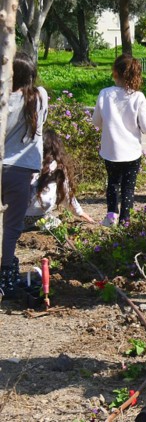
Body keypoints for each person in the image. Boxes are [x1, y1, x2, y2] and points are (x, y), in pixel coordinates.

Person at [1, 53, 49, 299]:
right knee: (11, 227)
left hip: (2, 164)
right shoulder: (39, 97)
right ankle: (6, 274)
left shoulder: (3, 100)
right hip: (21, 169)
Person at [92, 54, 146, 227]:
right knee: (128, 187)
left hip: (110, 150)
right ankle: (125, 219)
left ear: (115, 72)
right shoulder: (138, 97)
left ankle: (111, 214)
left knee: (112, 183)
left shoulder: (105, 94)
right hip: (131, 151)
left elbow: (96, 121)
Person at [26, 129, 95, 229]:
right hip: (40, 218)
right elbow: (67, 194)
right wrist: (81, 213)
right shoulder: (58, 166)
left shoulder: (28, 162)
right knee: (57, 222)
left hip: (18, 216)